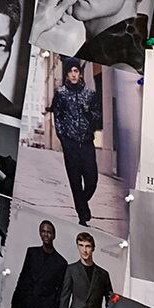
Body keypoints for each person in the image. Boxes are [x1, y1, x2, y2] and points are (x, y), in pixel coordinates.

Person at [48, 57, 101, 226]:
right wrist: (63, 138)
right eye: (70, 71)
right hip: (70, 144)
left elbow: (98, 116)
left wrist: (88, 113)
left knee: (92, 180)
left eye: (76, 71)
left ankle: (82, 203)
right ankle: (82, 217)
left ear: (80, 73)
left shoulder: (89, 94)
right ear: (66, 74)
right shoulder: (61, 94)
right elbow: (57, 117)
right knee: (75, 181)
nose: (73, 74)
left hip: (87, 143)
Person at [8, 220, 68, 308]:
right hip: (22, 306)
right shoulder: (32, 252)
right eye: (43, 231)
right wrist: (13, 307)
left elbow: (60, 292)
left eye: (49, 232)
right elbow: (22, 278)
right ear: (40, 233)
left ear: (54, 235)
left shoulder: (61, 263)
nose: (45, 234)